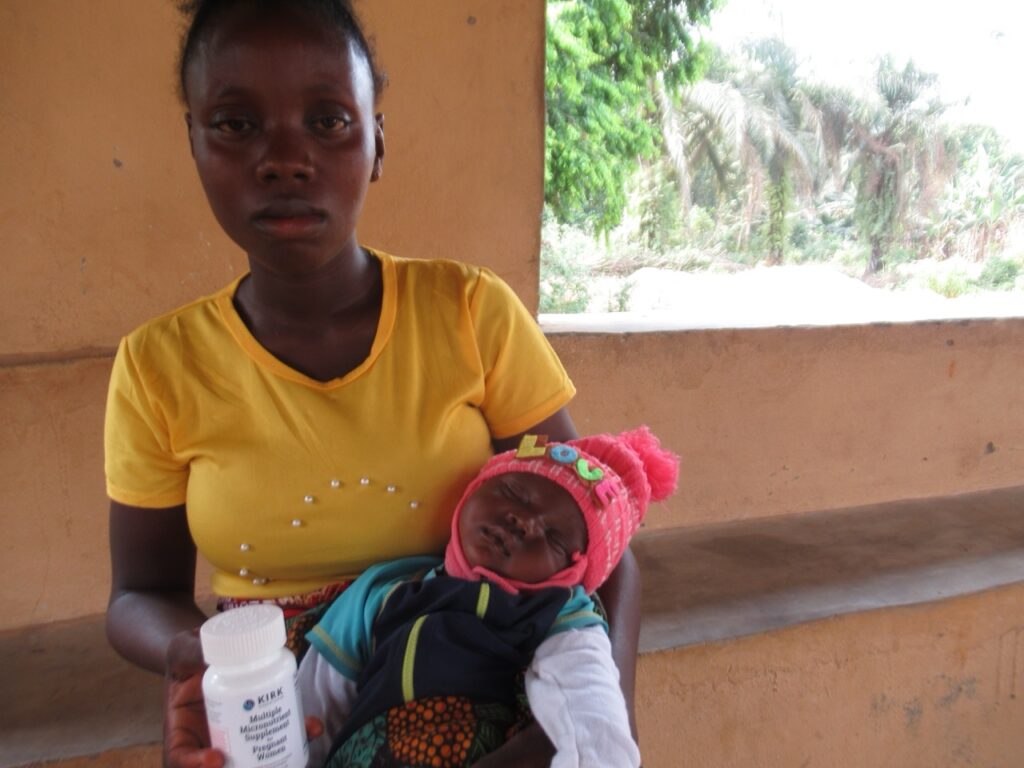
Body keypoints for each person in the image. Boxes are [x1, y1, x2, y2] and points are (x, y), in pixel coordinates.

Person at [102, 2, 642, 767]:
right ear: (192, 141)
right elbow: (137, 595)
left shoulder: (468, 312)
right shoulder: (159, 365)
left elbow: (598, 538)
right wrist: (202, 664)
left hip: (475, 672)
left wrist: (601, 718)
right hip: (271, 709)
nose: (283, 158)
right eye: (234, 123)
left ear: (377, 142)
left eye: (327, 121)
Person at [298, 428, 677, 768]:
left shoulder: (560, 618)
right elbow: (316, 706)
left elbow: (593, 717)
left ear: (572, 574)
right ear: (473, 491)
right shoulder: (383, 592)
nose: (524, 521)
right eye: (512, 493)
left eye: (554, 537)